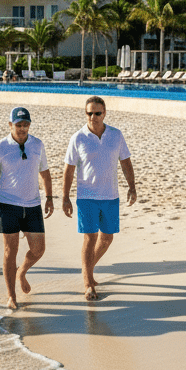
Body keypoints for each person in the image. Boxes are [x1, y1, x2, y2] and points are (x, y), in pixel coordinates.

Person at [61, 97, 136, 300]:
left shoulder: (116, 135)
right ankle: (88, 283)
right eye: (89, 113)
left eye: (97, 113)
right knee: (90, 237)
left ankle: (87, 269)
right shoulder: (78, 137)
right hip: (87, 196)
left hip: (111, 196)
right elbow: (68, 169)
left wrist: (132, 187)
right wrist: (65, 197)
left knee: (107, 237)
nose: (93, 117)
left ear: (105, 113)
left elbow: (126, 162)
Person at [0, 107, 53, 310]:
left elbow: (45, 172)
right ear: (10, 125)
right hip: (8, 204)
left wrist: (49, 197)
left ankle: (21, 272)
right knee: (9, 251)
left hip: (32, 205)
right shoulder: (1, 147)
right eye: (18, 125)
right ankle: (11, 296)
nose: (22, 128)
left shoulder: (37, 144)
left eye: (26, 124)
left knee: (38, 249)